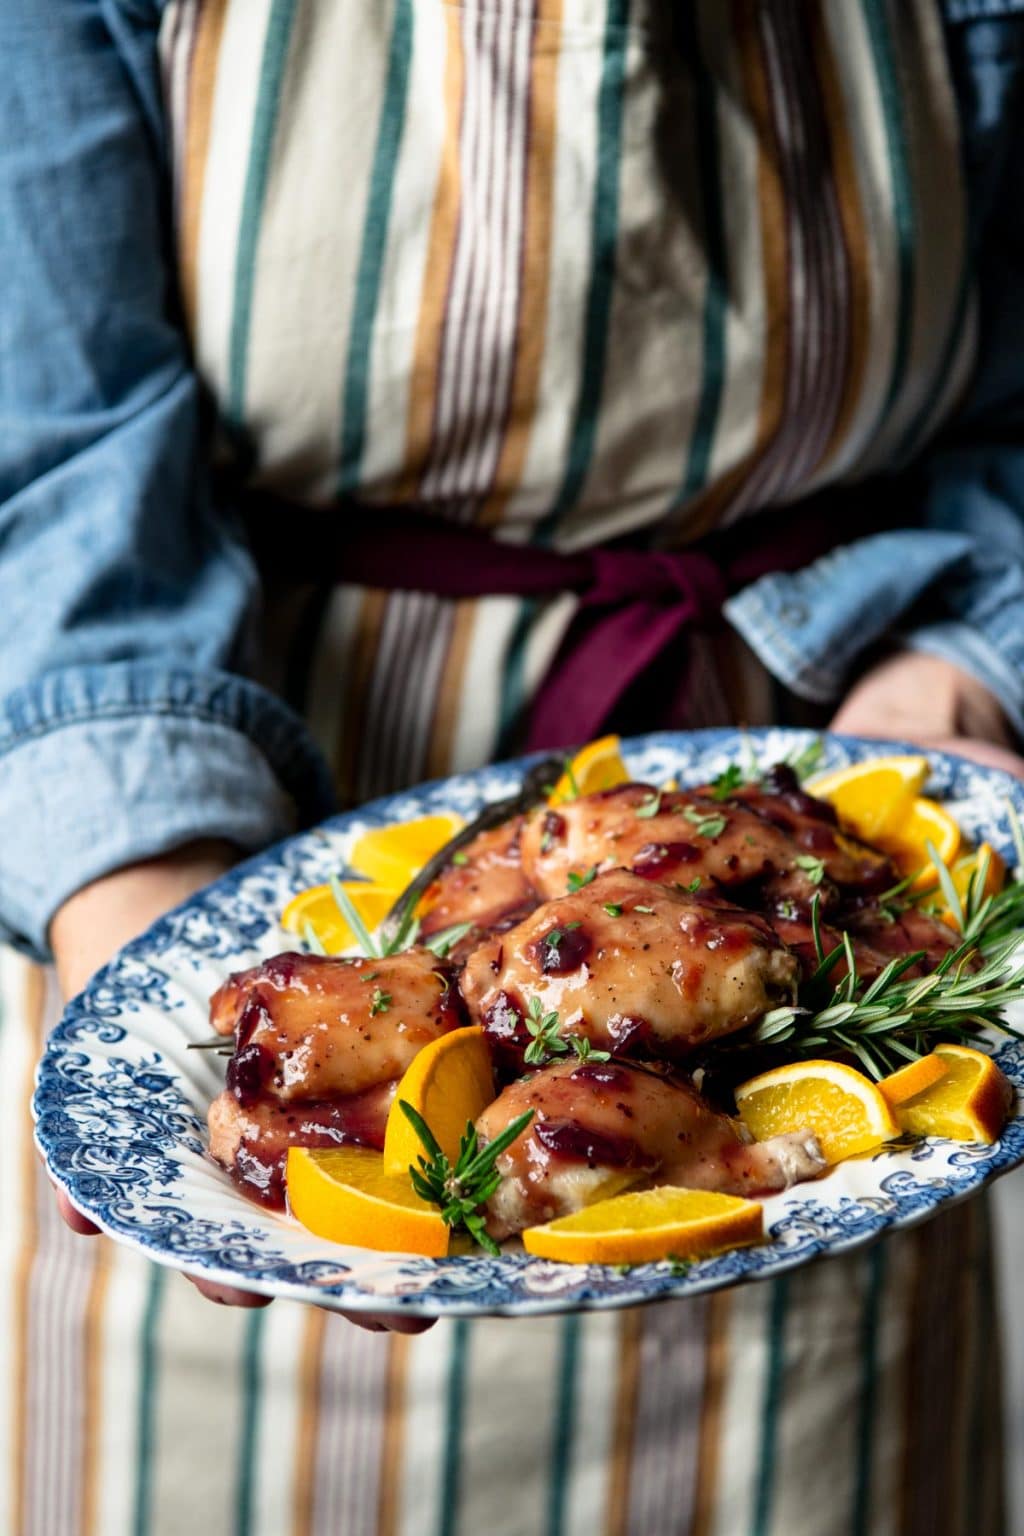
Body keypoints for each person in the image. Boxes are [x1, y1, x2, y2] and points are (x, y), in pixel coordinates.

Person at [3, 1, 1023, 1532]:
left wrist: (958, 672)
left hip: (827, 862)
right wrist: (151, 927)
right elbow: (50, 442)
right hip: (276, 812)